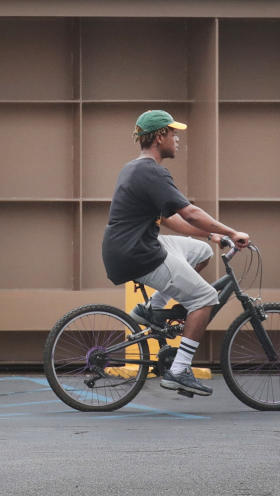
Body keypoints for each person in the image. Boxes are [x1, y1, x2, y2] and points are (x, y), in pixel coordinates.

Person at [101, 109, 250, 397]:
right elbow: (191, 213)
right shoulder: (151, 171)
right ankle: (179, 370)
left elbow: (170, 220)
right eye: (172, 133)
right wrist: (233, 233)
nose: (177, 138)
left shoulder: (135, 168)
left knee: (200, 252)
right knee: (206, 298)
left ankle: (154, 309)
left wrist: (212, 235)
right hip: (139, 253)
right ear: (159, 137)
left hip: (134, 246)